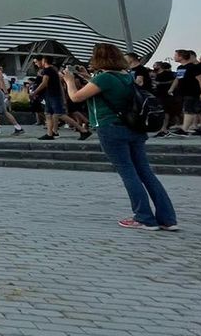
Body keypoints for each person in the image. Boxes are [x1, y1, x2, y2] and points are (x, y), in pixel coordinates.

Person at [62, 43, 177, 232]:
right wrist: (87, 77)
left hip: (111, 128)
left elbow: (75, 97)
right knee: (145, 172)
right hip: (134, 128)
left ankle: (144, 218)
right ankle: (168, 218)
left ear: (99, 59)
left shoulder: (103, 78)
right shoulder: (125, 76)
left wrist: (69, 81)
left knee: (127, 172)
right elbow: (107, 89)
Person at [32, 55, 90, 140]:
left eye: (36, 62)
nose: (36, 64)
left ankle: (83, 131)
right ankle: (49, 133)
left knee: (60, 114)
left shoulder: (47, 70)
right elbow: (59, 84)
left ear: (43, 60)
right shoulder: (53, 70)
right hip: (51, 95)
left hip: (53, 95)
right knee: (48, 114)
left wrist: (34, 92)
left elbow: (44, 83)